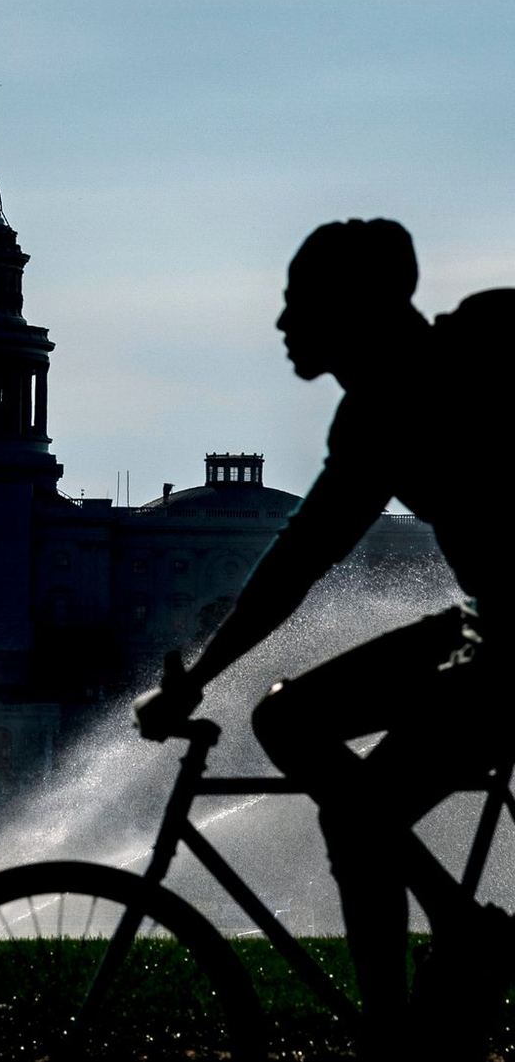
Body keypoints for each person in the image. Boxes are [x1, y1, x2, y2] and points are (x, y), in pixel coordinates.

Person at [134, 218, 514, 1061]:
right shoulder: (379, 408)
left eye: (298, 302)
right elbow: (296, 563)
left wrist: (192, 683)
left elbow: (296, 565)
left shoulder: (426, 380)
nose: (282, 323)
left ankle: (416, 1002)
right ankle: (441, 948)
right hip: (489, 632)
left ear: (356, 308)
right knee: (295, 727)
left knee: (353, 805)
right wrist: (199, 678)